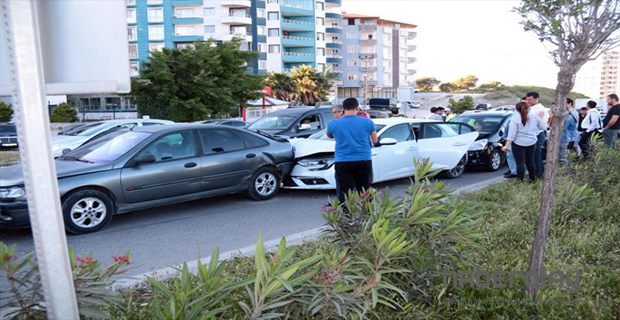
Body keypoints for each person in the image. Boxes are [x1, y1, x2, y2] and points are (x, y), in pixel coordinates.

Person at [327, 97, 378, 204]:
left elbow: (329, 135)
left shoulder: (333, 123)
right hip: (363, 160)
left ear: (344, 109)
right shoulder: (368, 122)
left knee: (344, 191)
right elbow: (375, 140)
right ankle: (366, 214)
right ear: (357, 108)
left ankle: (347, 216)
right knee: (364, 190)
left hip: (342, 161)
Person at [502, 102, 548, 182]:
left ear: (516, 110)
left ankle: (520, 180)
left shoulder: (515, 119)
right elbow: (544, 127)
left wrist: (506, 145)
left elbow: (511, 134)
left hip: (518, 143)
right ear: (529, 108)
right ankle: (532, 179)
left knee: (520, 163)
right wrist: (541, 118)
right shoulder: (535, 117)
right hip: (532, 142)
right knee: (530, 161)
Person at [525, 92, 550, 178]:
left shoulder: (541, 109)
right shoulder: (529, 108)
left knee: (536, 155)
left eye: (530, 100)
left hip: (537, 134)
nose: (528, 101)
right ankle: (538, 173)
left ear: (537, 99)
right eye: (527, 99)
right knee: (532, 156)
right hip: (531, 134)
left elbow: (544, 125)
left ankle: (539, 174)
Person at [504, 97, 527, 179]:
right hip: (515, 138)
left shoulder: (528, 115)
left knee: (516, 158)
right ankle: (513, 170)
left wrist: (507, 144)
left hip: (517, 139)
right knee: (512, 157)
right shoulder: (515, 114)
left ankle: (516, 173)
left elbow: (512, 131)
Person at [559, 98, 579, 165]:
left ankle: (567, 168)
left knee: (565, 155)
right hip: (568, 136)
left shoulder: (571, 115)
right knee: (567, 153)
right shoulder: (569, 115)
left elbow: (563, 127)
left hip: (568, 137)